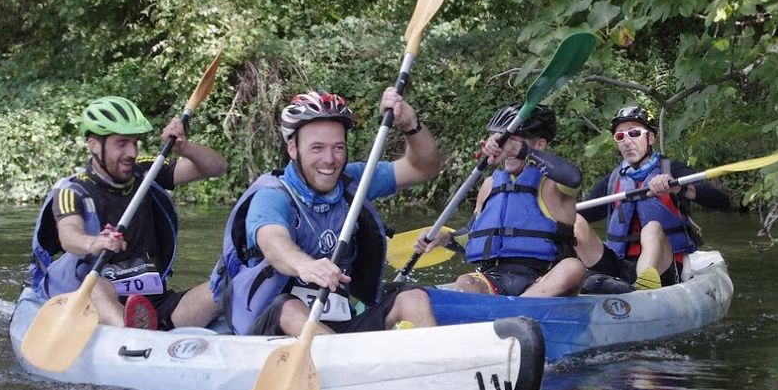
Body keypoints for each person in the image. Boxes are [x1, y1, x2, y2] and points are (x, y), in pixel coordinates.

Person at [211, 86, 441, 337]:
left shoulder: (355, 181)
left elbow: (424, 167)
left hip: (337, 321)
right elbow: (272, 241)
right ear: (293, 149)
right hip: (271, 328)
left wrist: (410, 124)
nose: (330, 159)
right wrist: (305, 266)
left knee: (413, 298)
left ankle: (434, 372)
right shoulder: (272, 195)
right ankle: (348, 367)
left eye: (338, 147)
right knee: (290, 309)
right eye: (317, 148)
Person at [29, 95, 228, 330]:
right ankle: (128, 331)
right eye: (121, 143)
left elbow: (216, 168)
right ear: (94, 145)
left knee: (223, 285)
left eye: (134, 143)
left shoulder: (147, 171)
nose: (131, 152)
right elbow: (69, 234)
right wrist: (94, 243)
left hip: (156, 303)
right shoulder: (73, 190)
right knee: (97, 287)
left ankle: (146, 328)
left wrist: (185, 148)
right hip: (99, 299)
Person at [418, 104, 587, 296]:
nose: (504, 148)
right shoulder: (490, 185)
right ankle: (500, 311)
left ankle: (520, 307)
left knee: (573, 268)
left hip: (544, 279)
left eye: (510, 141)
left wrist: (520, 150)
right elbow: (472, 235)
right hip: (494, 279)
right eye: (501, 141)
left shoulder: (553, 185)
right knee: (466, 281)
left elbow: (573, 177)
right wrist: (444, 238)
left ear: (539, 145)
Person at [574, 105, 731, 291]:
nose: (627, 141)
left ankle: (642, 289)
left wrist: (679, 187)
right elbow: (582, 215)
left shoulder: (671, 169)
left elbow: (723, 202)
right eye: (620, 136)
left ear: (651, 138)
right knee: (573, 221)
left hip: (665, 264)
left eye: (634, 133)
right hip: (620, 264)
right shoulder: (614, 179)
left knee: (652, 228)